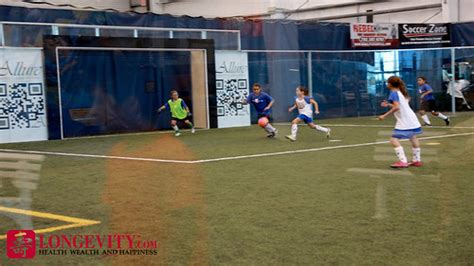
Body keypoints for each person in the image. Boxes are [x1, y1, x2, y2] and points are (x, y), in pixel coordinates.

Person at [379, 76, 423, 168]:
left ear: (390, 84)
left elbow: (397, 107)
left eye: (387, 83)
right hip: (412, 119)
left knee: (393, 140)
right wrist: (388, 104)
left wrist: (384, 115)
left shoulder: (394, 93)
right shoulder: (402, 92)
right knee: (413, 137)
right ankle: (416, 160)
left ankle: (403, 161)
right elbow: (400, 105)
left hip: (405, 120)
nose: (387, 84)